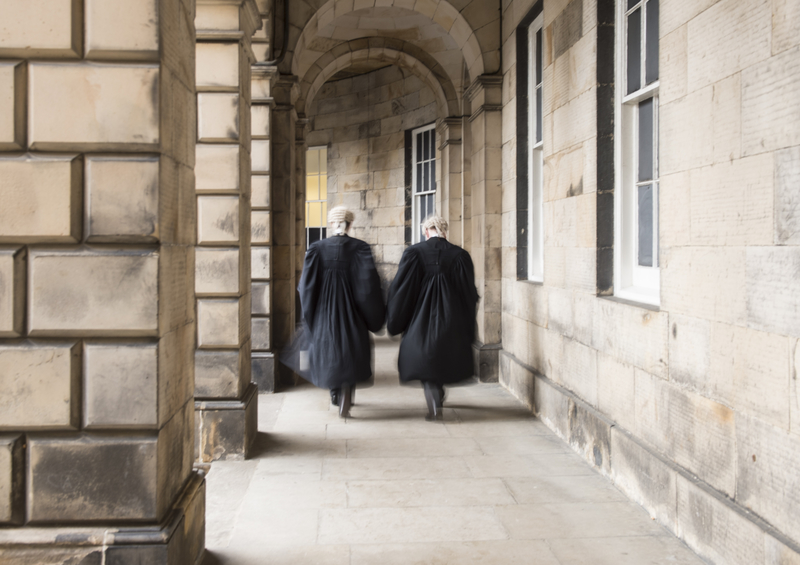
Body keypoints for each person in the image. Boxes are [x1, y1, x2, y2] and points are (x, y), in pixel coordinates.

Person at [387, 215, 479, 421]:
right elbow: (468, 294)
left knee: (425, 357)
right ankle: (438, 393)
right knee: (444, 353)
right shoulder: (460, 255)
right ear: (445, 231)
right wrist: (467, 324)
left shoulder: (413, 253)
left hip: (420, 317)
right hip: (451, 317)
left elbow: (402, 290)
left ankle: (434, 402)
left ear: (426, 231)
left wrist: (396, 319)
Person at [297, 206, 385, 417]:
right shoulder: (361, 248)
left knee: (329, 349)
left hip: (324, 311)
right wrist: (373, 316)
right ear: (350, 224)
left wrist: (309, 316)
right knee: (351, 350)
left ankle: (335, 392)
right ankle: (346, 395)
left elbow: (306, 287)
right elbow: (368, 287)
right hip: (353, 311)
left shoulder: (316, 249)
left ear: (331, 223)